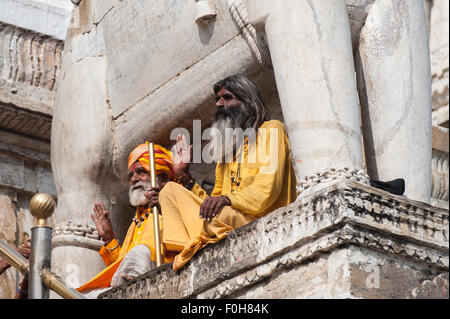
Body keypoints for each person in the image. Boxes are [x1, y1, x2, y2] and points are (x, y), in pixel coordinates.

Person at [155, 74, 298, 271]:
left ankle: (198, 244)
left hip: (263, 221)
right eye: (218, 99)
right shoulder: (226, 152)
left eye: (227, 98)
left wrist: (227, 200)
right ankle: (189, 250)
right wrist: (184, 176)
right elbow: (212, 201)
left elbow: (267, 190)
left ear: (248, 103)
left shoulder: (271, 130)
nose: (219, 104)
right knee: (169, 191)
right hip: (225, 220)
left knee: (218, 214)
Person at [76, 144, 178, 297]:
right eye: (131, 175)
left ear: (162, 179)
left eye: (141, 172)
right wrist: (109, 239)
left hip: (164, 283)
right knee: (84, 296)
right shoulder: (137, 219)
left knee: (140, 252)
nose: (134, 179)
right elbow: (122, 270)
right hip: (129, 287)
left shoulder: (174, 206)